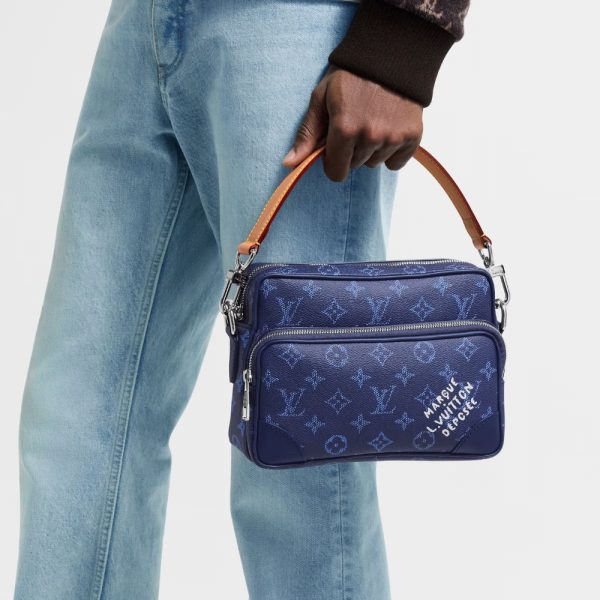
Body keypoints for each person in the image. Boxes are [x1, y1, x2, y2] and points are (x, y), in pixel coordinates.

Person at [14, 0, 470, 597]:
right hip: (139, 26)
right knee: (77, 423)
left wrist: (401, 43)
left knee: (299, 448)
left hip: (299, 26)